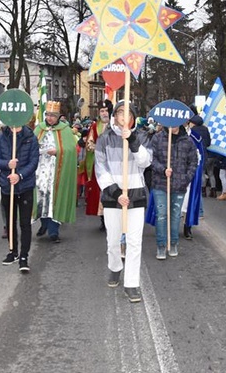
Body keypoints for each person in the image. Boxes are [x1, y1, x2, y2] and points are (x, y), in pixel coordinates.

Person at [95, 100, 152, 303]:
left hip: (136, 195)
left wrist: (134, 141)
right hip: (113, 197)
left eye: (128, 113)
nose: (123, 117)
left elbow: (146, 162)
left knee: (134, 242)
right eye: (120, 113)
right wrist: (116, 192)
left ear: (133, 118)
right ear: (115, 116)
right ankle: (115, 267)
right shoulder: (105, 139)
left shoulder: (143, 137)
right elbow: (100, 169)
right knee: (113, 241)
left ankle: (131, 283)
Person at [0, 123, 40, 272]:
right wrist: (8, 164)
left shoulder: (31, 138)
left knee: (25, 223)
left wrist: (19, 175)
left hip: (25, 185)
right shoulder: (1, 138)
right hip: (7, 187)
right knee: (10, 221)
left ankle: (24, 256)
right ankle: (13, 251)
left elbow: (33, 162)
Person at [149, 124, 197, 259]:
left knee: (175, 216)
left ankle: (174, 243)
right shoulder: (157, 138)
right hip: (160, 184)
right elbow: (151, 159)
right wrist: (163, 169)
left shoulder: (187, 141)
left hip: (179, 185)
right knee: (161, 215)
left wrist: (186, 178)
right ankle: (161, 246)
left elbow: (193, 161)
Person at [34, 101, 78, 242]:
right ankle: (44, 224)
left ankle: (53, 231)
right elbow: (31, 146)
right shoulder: (39, 128)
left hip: (57, 170)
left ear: (58, 116)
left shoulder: (65, 129)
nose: (50, 118)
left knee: (55, 198)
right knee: (42, 197)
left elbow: (71, 149)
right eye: (48, 115)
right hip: (41, 170)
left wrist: (58, 151)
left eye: (53, 115)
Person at [85, 100, 113, 231]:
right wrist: (97, 148)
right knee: (100, 191)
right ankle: (103, 218)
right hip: (100, 164)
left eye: (106, 110)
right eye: (102, 111)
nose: (104, 113)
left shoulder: (115, 125)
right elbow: (89, 143)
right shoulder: (95, 126)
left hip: (114, 164)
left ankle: (112, 217)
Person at [189, 114, 215, 196]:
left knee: (202, 173)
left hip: (198, 153)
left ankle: (203, 190)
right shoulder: (205, 129)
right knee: (211, 173)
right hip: (207, 153)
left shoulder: (192, 131)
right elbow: (208, 143)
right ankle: (213, 190)